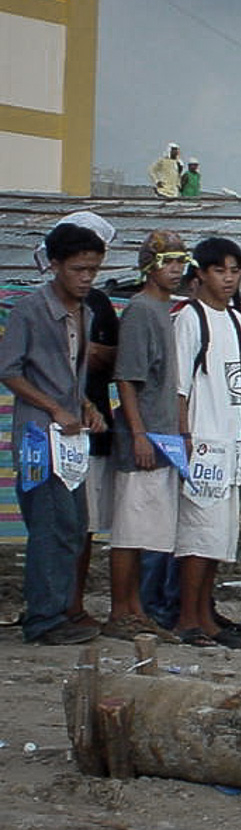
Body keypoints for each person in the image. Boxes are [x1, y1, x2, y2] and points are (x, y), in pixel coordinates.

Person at [0, 223, 108, 644]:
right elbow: (9, 370)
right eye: (79, 269)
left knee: (73, 524)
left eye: (93, 270)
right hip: (38, 436)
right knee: (49, 525)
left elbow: (72, 377)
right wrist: (54, 408)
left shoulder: (87, 313)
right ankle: (44, 619)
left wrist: (86, 406)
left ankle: (59, 610)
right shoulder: (30, 310)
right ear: (56, 265)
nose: (86, 278)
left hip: (69, 439)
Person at [172, 236, 241, 648]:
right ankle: (187, 617)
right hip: (202, 439)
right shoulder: (190, 318)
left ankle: (206, 615)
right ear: (201, 274)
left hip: (231, 441)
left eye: (234, 271)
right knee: (197, 534)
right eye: (220, 270)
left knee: (219, 537)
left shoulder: (239, 322)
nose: (228, 279)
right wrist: (184, 437)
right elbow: (179, 387)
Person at [107, 230, 189, 643]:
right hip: (143, 436)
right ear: (149, 267)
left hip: (163, 436)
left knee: (149, 531)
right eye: (167, 262)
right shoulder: (140, 310)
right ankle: (121, 611)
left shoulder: (164, 309)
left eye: (180, 262)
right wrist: (138, 434)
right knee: (130, 529)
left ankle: (137, 609)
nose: (175, 270)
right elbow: (127, 378)